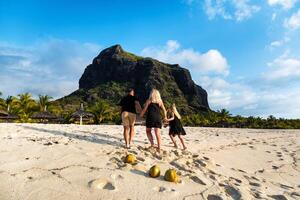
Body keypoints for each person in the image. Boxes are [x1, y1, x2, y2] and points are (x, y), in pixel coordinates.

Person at [140, 89, 167, 153]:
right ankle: (159, 147)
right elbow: (164, 110)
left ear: (151, 94)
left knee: (148, 131)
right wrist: (165, 117)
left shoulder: (149, 100)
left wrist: (141, 115)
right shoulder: (160, 101)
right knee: (157, 133)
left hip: (150, 117)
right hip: (158, 117)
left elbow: (144, 109)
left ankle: (152, 144)